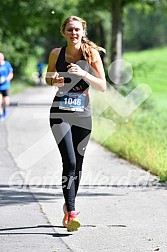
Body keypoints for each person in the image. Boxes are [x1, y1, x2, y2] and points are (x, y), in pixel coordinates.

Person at [46, 16, 106, 232]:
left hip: (82, 114)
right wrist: (55, 80)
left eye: (77, 30)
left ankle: (68, 205)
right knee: (69, 161)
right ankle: (71, 212)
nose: (74, 33)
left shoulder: (91, 54)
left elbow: (102, 86)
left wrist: (83, 73)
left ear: (83, 32)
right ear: (64, 32)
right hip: (60, 112)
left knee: (78, 164)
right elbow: (48, 77)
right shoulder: (56, 53)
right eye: (70, 30)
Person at [0, 52, 14, 121]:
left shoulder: (7, 64)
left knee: (6, 102)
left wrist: (6, 79)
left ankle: (4, 109)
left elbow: (11, 74)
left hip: (5, 86)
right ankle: (1, 115)